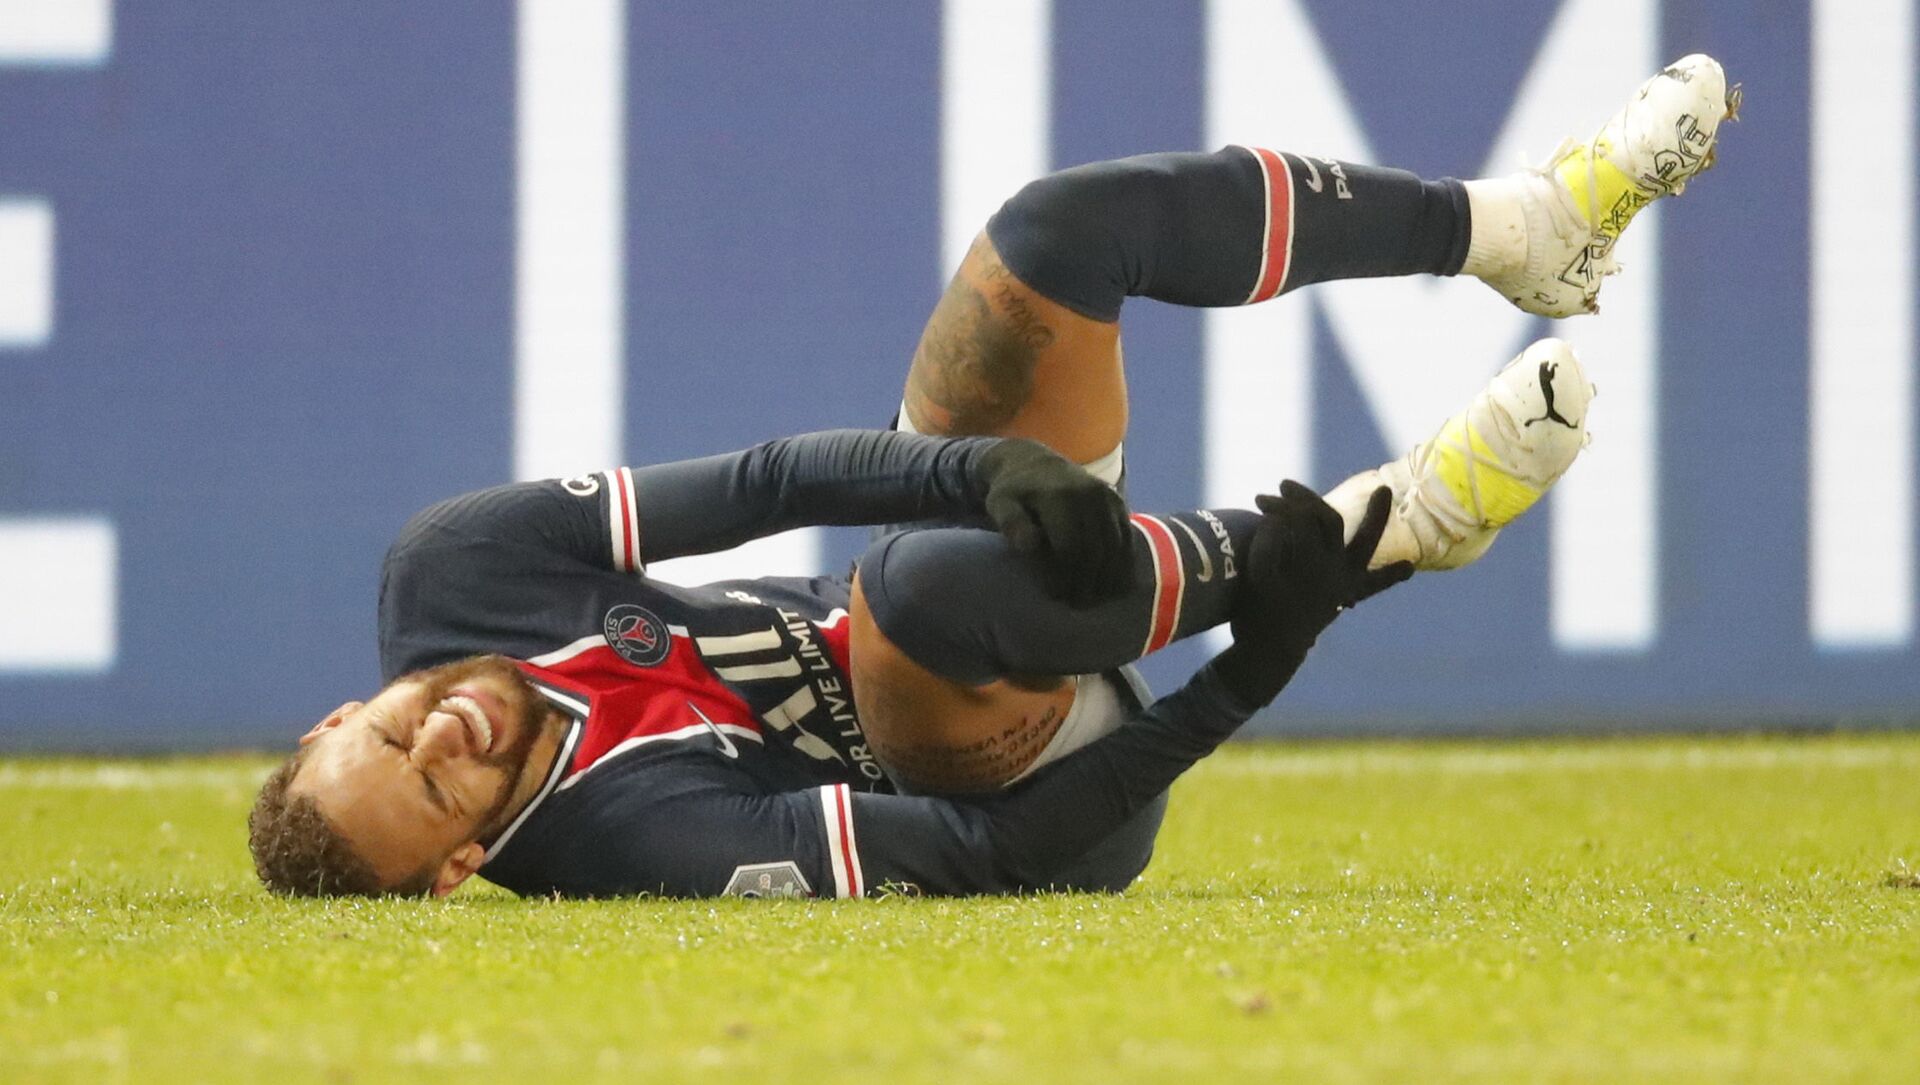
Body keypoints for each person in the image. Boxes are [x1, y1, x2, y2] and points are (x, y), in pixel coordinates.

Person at [247, 55, 1734, 900]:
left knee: (1052, 238)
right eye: (434, 784)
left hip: (995, 599)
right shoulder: (625, 845)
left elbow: (765, 481)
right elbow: (990, 851)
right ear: (458, 865)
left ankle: (1523, 227)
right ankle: (1398, 526)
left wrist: (986, 467)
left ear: (337, 713)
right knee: (908, 594)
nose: (438, 731)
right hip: (1045, 781)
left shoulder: (451, 576)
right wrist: (1248, 673)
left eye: (387, 730)